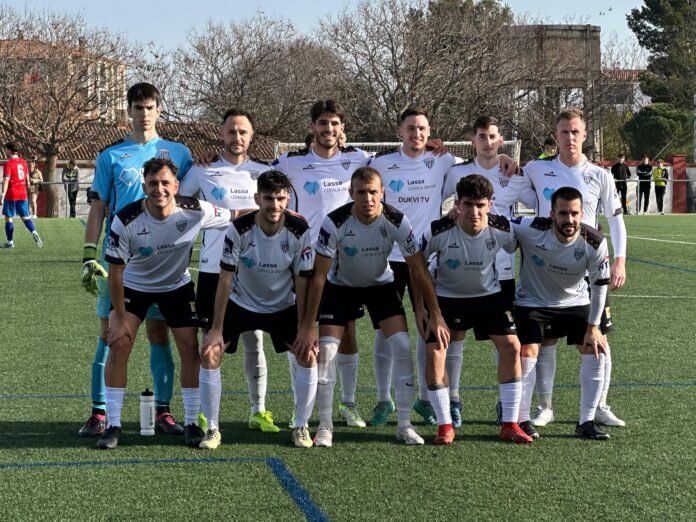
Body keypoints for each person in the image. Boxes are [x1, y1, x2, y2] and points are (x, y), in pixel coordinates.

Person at [294, 167, 450, 447]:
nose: (368, 198)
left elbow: (418, 269)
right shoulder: (334, 222)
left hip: (381, 286)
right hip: (341, 288)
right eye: (361, 192)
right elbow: (318, 277)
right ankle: (326, 426)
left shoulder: (397, 220)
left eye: (373, 192)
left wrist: (434, 313)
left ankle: (404, 425)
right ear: (351, 193)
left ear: (382, 193)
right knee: (326, 353)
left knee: (401, 346)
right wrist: (308, 326)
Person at [79, 82, 193, 438]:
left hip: (163, 260)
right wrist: (88, 253)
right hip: (118, 259)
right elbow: (98, 206)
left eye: (150, 107)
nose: (144, 114)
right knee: (111, 333)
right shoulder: (111, 155)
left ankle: (163, 411)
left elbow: (192, 195)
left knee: (160, 333)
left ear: (159, 110)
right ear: (128, 111)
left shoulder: (180, 153)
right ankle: (99, 412)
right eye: (138, 107)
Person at [97, 158, 232, 449]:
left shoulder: (196, 210)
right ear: (144, 186)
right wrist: (118, 315)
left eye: (165, 183)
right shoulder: (126, 219)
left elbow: (234, 215)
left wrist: (275, 213)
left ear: (176, 185)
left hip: (176, 286)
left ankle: (192, 423)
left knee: (190, 348)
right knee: (119, 344)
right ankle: (113, 425)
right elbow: (116, 272)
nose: (159, 189)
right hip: (135, 286)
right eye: (153, 183)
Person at [520, 107, 626, 429]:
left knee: (598, 338)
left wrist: (619, 259)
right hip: (545, 264)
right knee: (545, 341)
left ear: (584, 135)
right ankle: (545, 407)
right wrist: (506, 162)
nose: (570, 137)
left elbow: (615, 219)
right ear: (557, 135)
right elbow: (508, 183)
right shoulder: (536, 169)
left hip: (589, 265)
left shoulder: (600, 175)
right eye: (564, 132)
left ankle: (600, 406)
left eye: (575, 132)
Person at [272, 100, 372, 429]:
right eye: (323, 123)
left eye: (334, 123)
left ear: (342, 128)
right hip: (302, 259)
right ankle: (301, 406)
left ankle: (348, 403)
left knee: (348, 331)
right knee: (298, 332)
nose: (328, 129)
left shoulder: (359, 159)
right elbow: (256, 175)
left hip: (345, 261)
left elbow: (397, 164)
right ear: (312, 126)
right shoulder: (291, 162)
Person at [178, 108, 278, 433]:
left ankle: (258, 410)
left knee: (255, 340)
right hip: (212, 268)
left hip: (254, 269)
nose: (237, 137)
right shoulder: (203, 170)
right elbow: (180, 202)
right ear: (221, 134)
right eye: (231, 131)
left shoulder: (265, 172)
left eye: (243, 132)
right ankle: (204, 413)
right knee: (210, 342)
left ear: (252, 136)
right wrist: (217, 215)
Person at [199, 171, 315, 449]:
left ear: (288, 199)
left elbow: (303, 281)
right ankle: (212, 429)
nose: (274, 205)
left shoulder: (299, 229)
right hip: (241, 303)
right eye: (268, 198)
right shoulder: (239, 228)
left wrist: (306, 327)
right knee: (210, 353)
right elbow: (225, 279)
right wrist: (216, 329)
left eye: (280, 199)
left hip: (282, 306)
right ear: (257, 198)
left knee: (308, 354)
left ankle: (301, 425)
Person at [418, 175, 532, 445]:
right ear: (457, 204)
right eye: (468, 204)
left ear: (490, 205)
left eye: (480, 205)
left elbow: (527, 241)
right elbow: (417, 266)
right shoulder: (438, 231)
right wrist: (424, 311)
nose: (474, 212)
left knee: (512, 347)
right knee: (434, 352)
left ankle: (510, 424)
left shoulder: (503, 229)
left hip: (489, 296)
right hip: (446, 298)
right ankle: (445, 425)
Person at [366, 107, 459, 428]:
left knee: (427, 328)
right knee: (384, 331)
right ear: (399, 131)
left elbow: (476, 170)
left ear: (430, 132)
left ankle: (424, 399)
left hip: (426, 258)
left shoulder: (444, 161)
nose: (416, 134)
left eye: (421, 128)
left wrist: (504, 159)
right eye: (410, 128)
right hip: (388, 257)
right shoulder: (381, 164)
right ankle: (384, 399)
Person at [448, 115, 536, 426]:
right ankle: (453, 401)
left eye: (493, 136)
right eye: (482, 136)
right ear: (472, 140)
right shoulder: (456, 172)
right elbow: (434, 204)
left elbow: (542, 202)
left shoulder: (514, 175)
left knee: (507, 341)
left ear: (501, 140)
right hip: (461, 270)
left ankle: (505, 405)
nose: (488, 142)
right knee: (454, 338)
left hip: (502, 272)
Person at [513, 187, 611, 440]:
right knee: (528, 353)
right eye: (563, 213)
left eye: (575, 213)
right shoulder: (530, 228)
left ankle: (586, 421)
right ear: (552, 214)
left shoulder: (595, 241)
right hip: (532, 302)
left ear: (582, 214)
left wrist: (593, 328)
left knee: (596, 351)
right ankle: (522, 419)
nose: (570, 219)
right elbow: (500, 224)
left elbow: (600, 286)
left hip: (575, 302)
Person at [1, 141, 42, 249]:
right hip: (22, 194)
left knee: (9, 218)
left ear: (9, 150)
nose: (5, 151)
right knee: (25, 217)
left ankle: (10, 242)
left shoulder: (8, 164)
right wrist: (27, 184)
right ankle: (34, 231)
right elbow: (27, 176)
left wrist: (2, 195)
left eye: (6, 149)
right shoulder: (23, 162)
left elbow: (5, 180)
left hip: (11, 194)